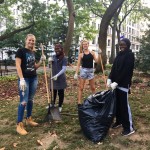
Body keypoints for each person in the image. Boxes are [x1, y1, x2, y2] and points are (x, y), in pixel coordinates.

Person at [15, 34, 46, 135]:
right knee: (23, 101)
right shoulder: (21, 51)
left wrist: (41, 61)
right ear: (26, 40)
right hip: (25, 79)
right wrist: (22, 79)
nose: (31, 42)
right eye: (30, 40)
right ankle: (19, 125)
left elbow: (34, 67)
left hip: (33, 78)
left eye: (33, 40)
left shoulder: (32, 52)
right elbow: (18, 66)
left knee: (30, 100)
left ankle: (29, 119)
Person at [107, 38, 135, 136]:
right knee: (117, 105)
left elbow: (126, 71)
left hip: (123, 84)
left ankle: (129, 128)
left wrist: (117, 82)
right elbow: (114, 67)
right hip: (115, 84)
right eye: (120, 45)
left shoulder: (130, 55)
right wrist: (110, 78)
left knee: (124, 106)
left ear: (128, 45)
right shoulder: (119, 55)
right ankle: (119, 121)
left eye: (123, 44)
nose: (121, 46)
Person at [74, 39, 97, 104]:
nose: (85, 45)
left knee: (93, 88)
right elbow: (78, 64)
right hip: (83, 70)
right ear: (82, 45)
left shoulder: (92, 53)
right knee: (81, 87)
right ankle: (79, 102)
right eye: (84, 44)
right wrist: (76, 73)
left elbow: (97, 61)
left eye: (86, 44)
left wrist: (100, 54)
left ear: (88, 45)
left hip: (90, 71)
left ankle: (94, 100)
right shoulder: (81, 55)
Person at [49, 43, 67, 112]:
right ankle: (52, 104)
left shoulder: (64, 58)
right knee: (53, 92)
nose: (57, 50)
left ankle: (60, 105)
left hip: (60, 78)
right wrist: (49, 62)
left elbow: (64, 69)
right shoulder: (53, 57)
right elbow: (49, 67)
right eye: (56, 49)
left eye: (58, 49)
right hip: (52, 77)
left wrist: (57, 75)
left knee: (60, 92)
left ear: (61, 49)